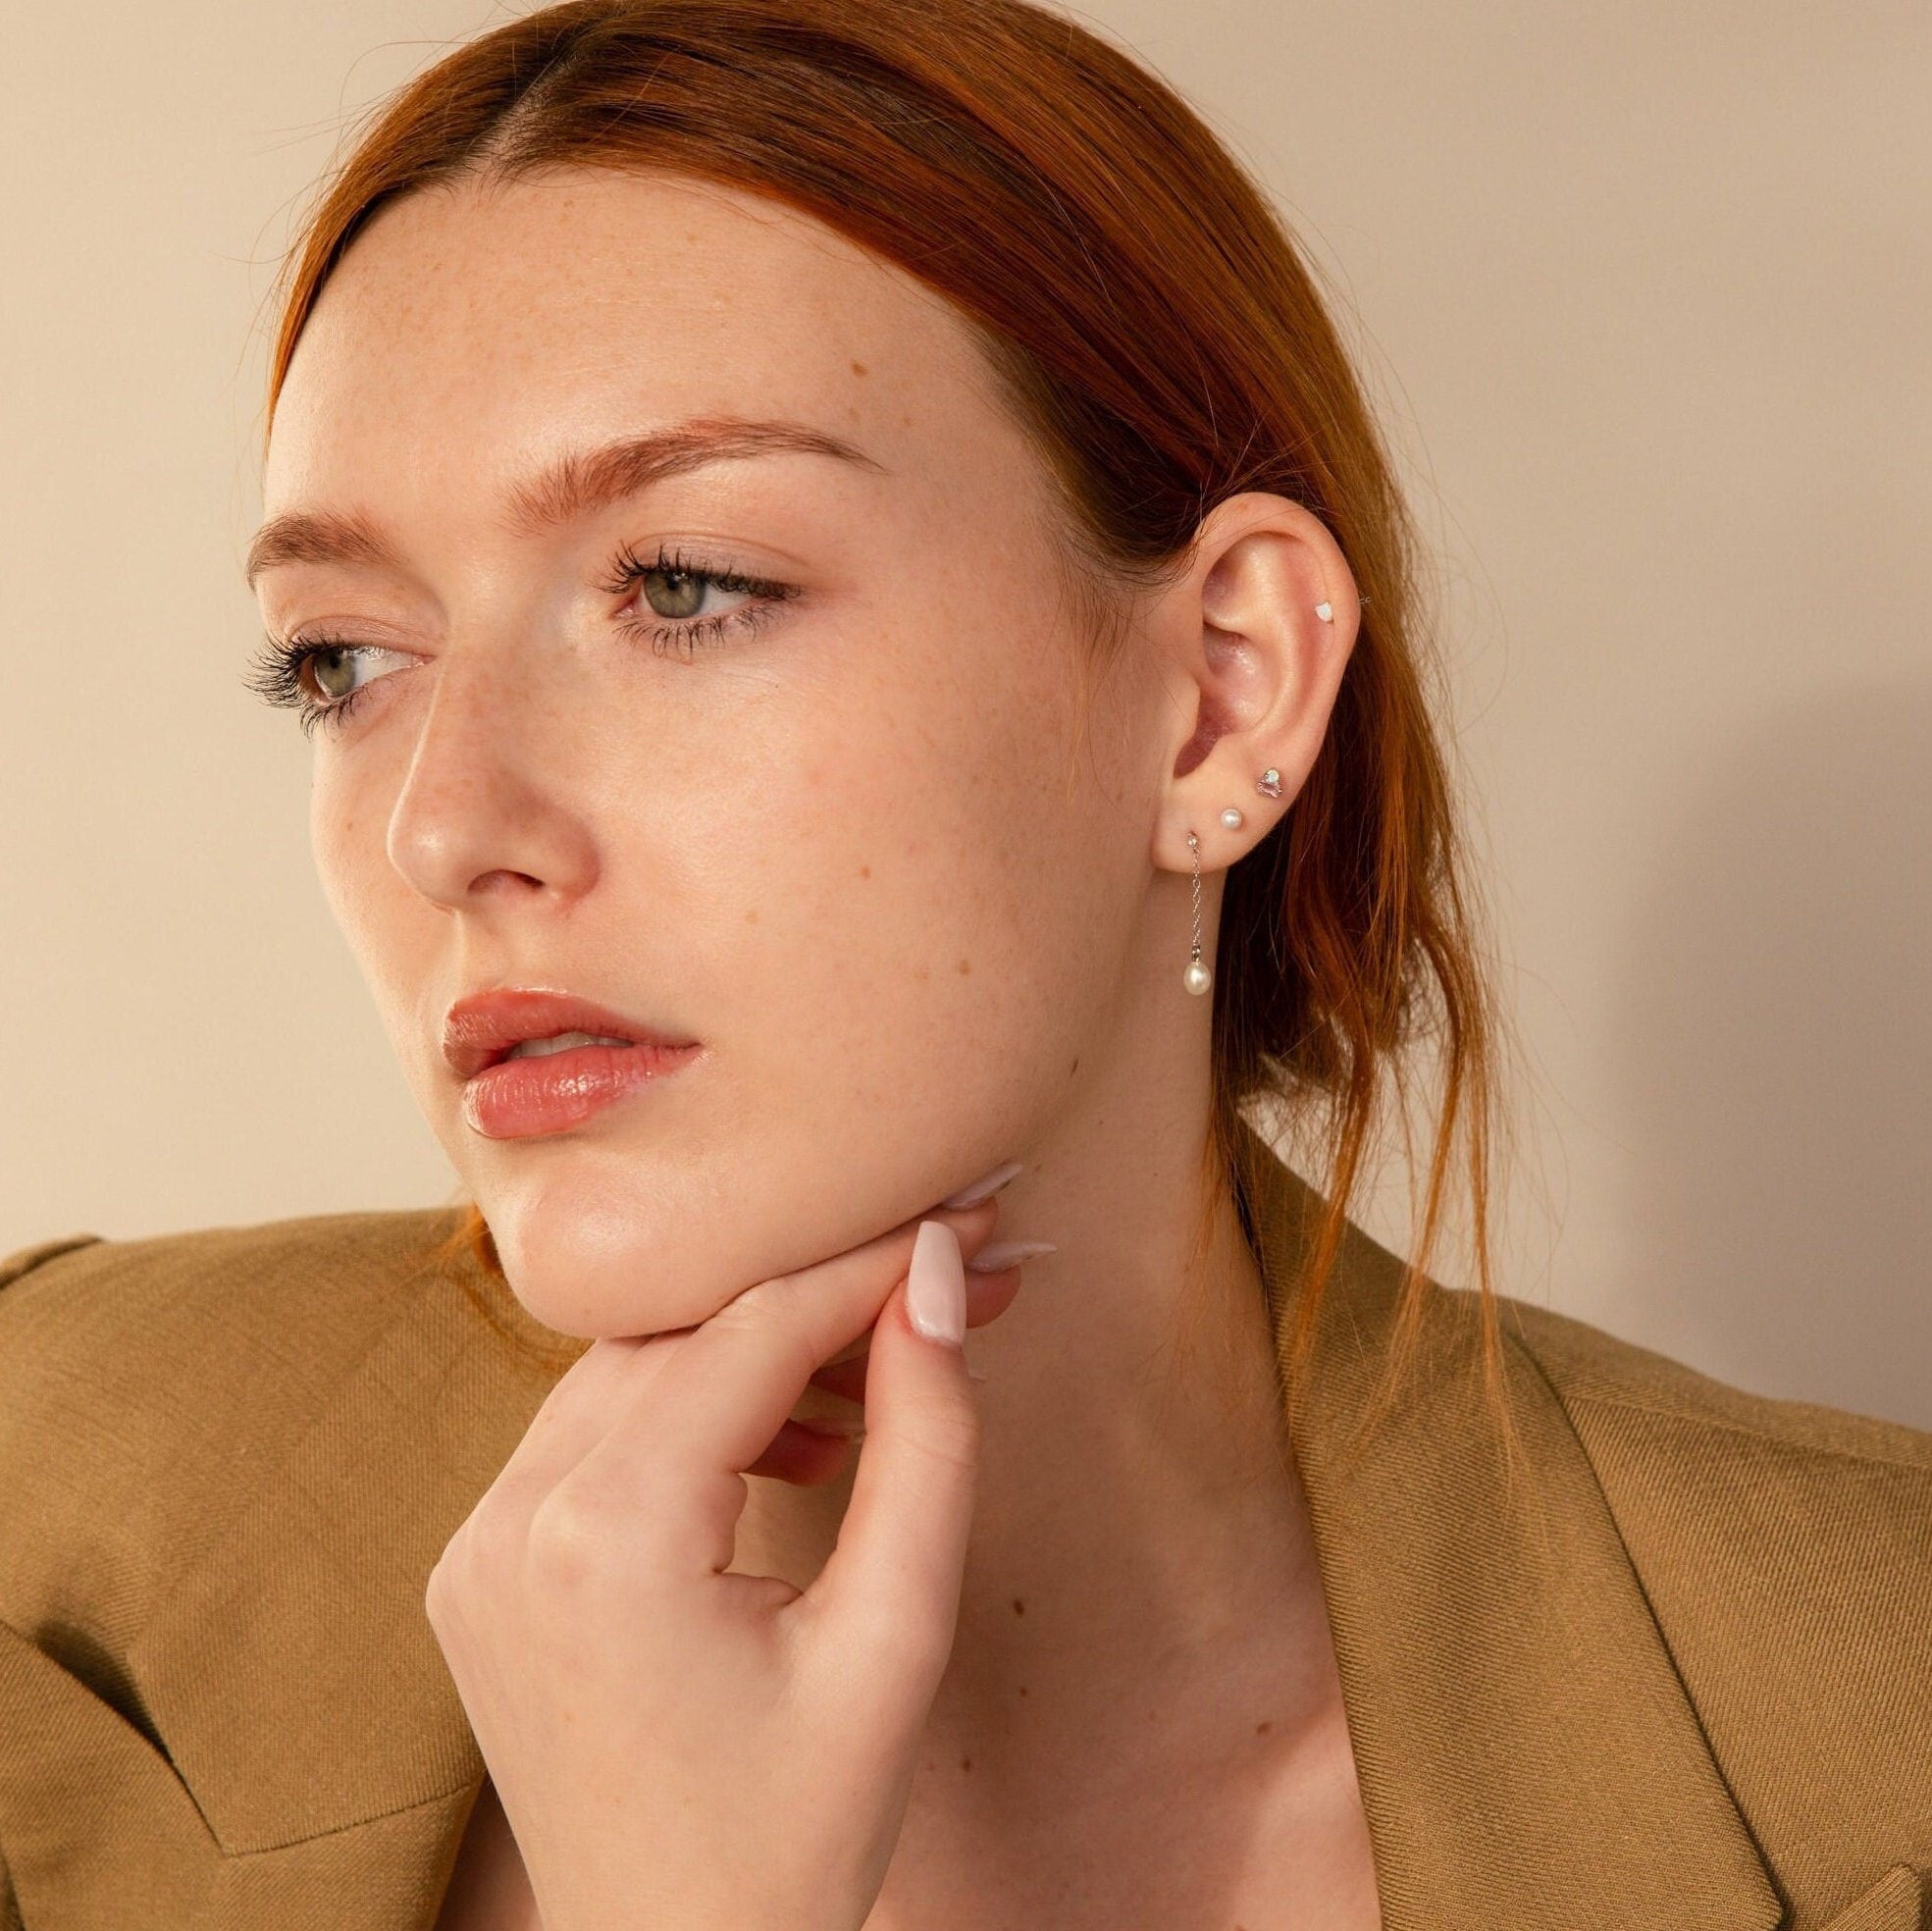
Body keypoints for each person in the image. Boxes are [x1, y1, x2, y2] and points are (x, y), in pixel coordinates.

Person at [2, 1, 1926, 1926]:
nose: (442, 826)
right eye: (340, 659)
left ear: (1215, 695)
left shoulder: (1867, 1712)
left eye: (684, 587)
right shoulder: (47, 1517)